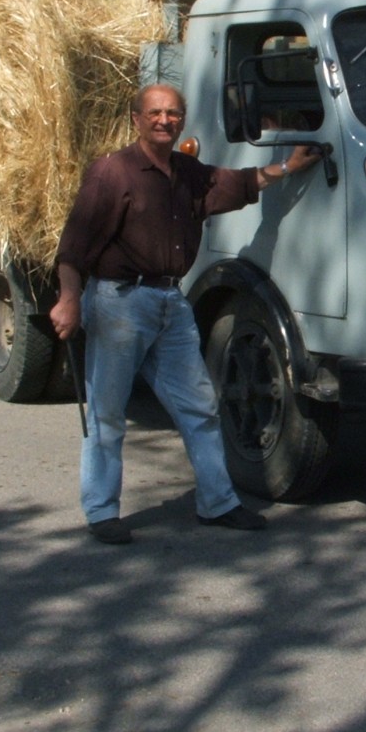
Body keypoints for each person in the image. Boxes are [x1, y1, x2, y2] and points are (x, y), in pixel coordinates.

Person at [49, 83, 322, 545]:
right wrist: (69, 298)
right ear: (136, 119)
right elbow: (74, 246)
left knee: (200, 405)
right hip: (120, 303)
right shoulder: (111, 173)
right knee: (108, 413)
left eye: (173, 114)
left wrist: (285, 167)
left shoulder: (187, 173)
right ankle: (101, 511)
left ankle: (218, 503)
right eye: (155, 113)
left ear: (182, 120)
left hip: (169, 304)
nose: (165, 120)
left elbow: (236, 184)